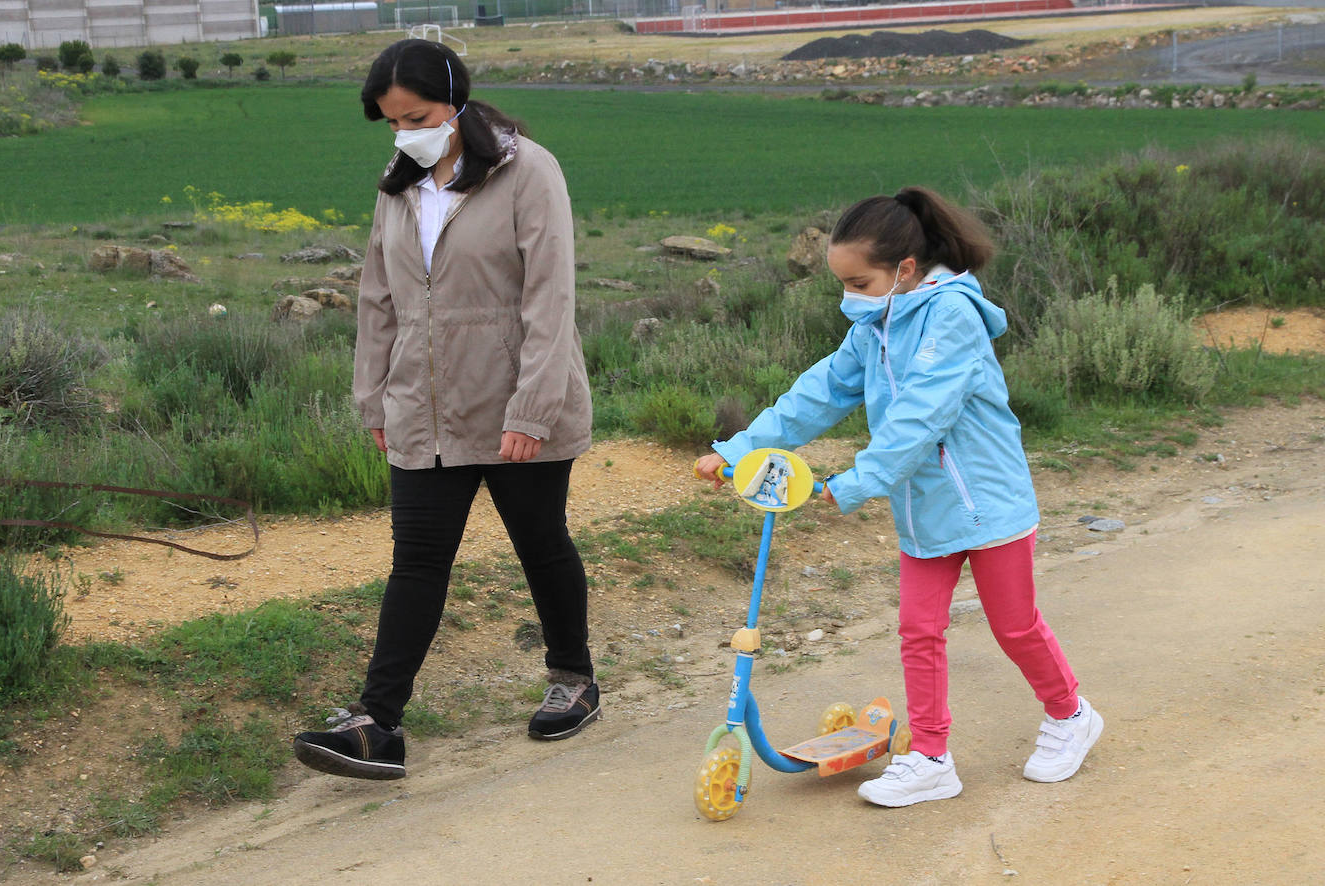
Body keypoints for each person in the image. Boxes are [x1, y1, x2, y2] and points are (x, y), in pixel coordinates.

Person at [694, 187, 1103, 808]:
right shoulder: (875, 323)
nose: (849, 296)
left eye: (859, 282)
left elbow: (920, 417)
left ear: (904, 270)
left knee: (1015, 626)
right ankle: (932, 756)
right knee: (918, 631)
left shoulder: (953, 317)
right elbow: (821, 393)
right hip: (922, 508)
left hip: (988, 503)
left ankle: (1070, 715)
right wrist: (737, 450)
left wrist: (854, 483)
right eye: (844, 284)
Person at [293, 39, 599, 781]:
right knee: (418, 560)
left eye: (418, 116)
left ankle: (574, 679)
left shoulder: (530, 172)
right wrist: (374, 394)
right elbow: (377, 298)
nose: (405, 132)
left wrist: (531, 409)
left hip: (514, 405)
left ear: (456, 101)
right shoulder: (397, 186)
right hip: (422, 408)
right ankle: (378, 723)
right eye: (391, 121)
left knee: (540, 542)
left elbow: (549, 298)